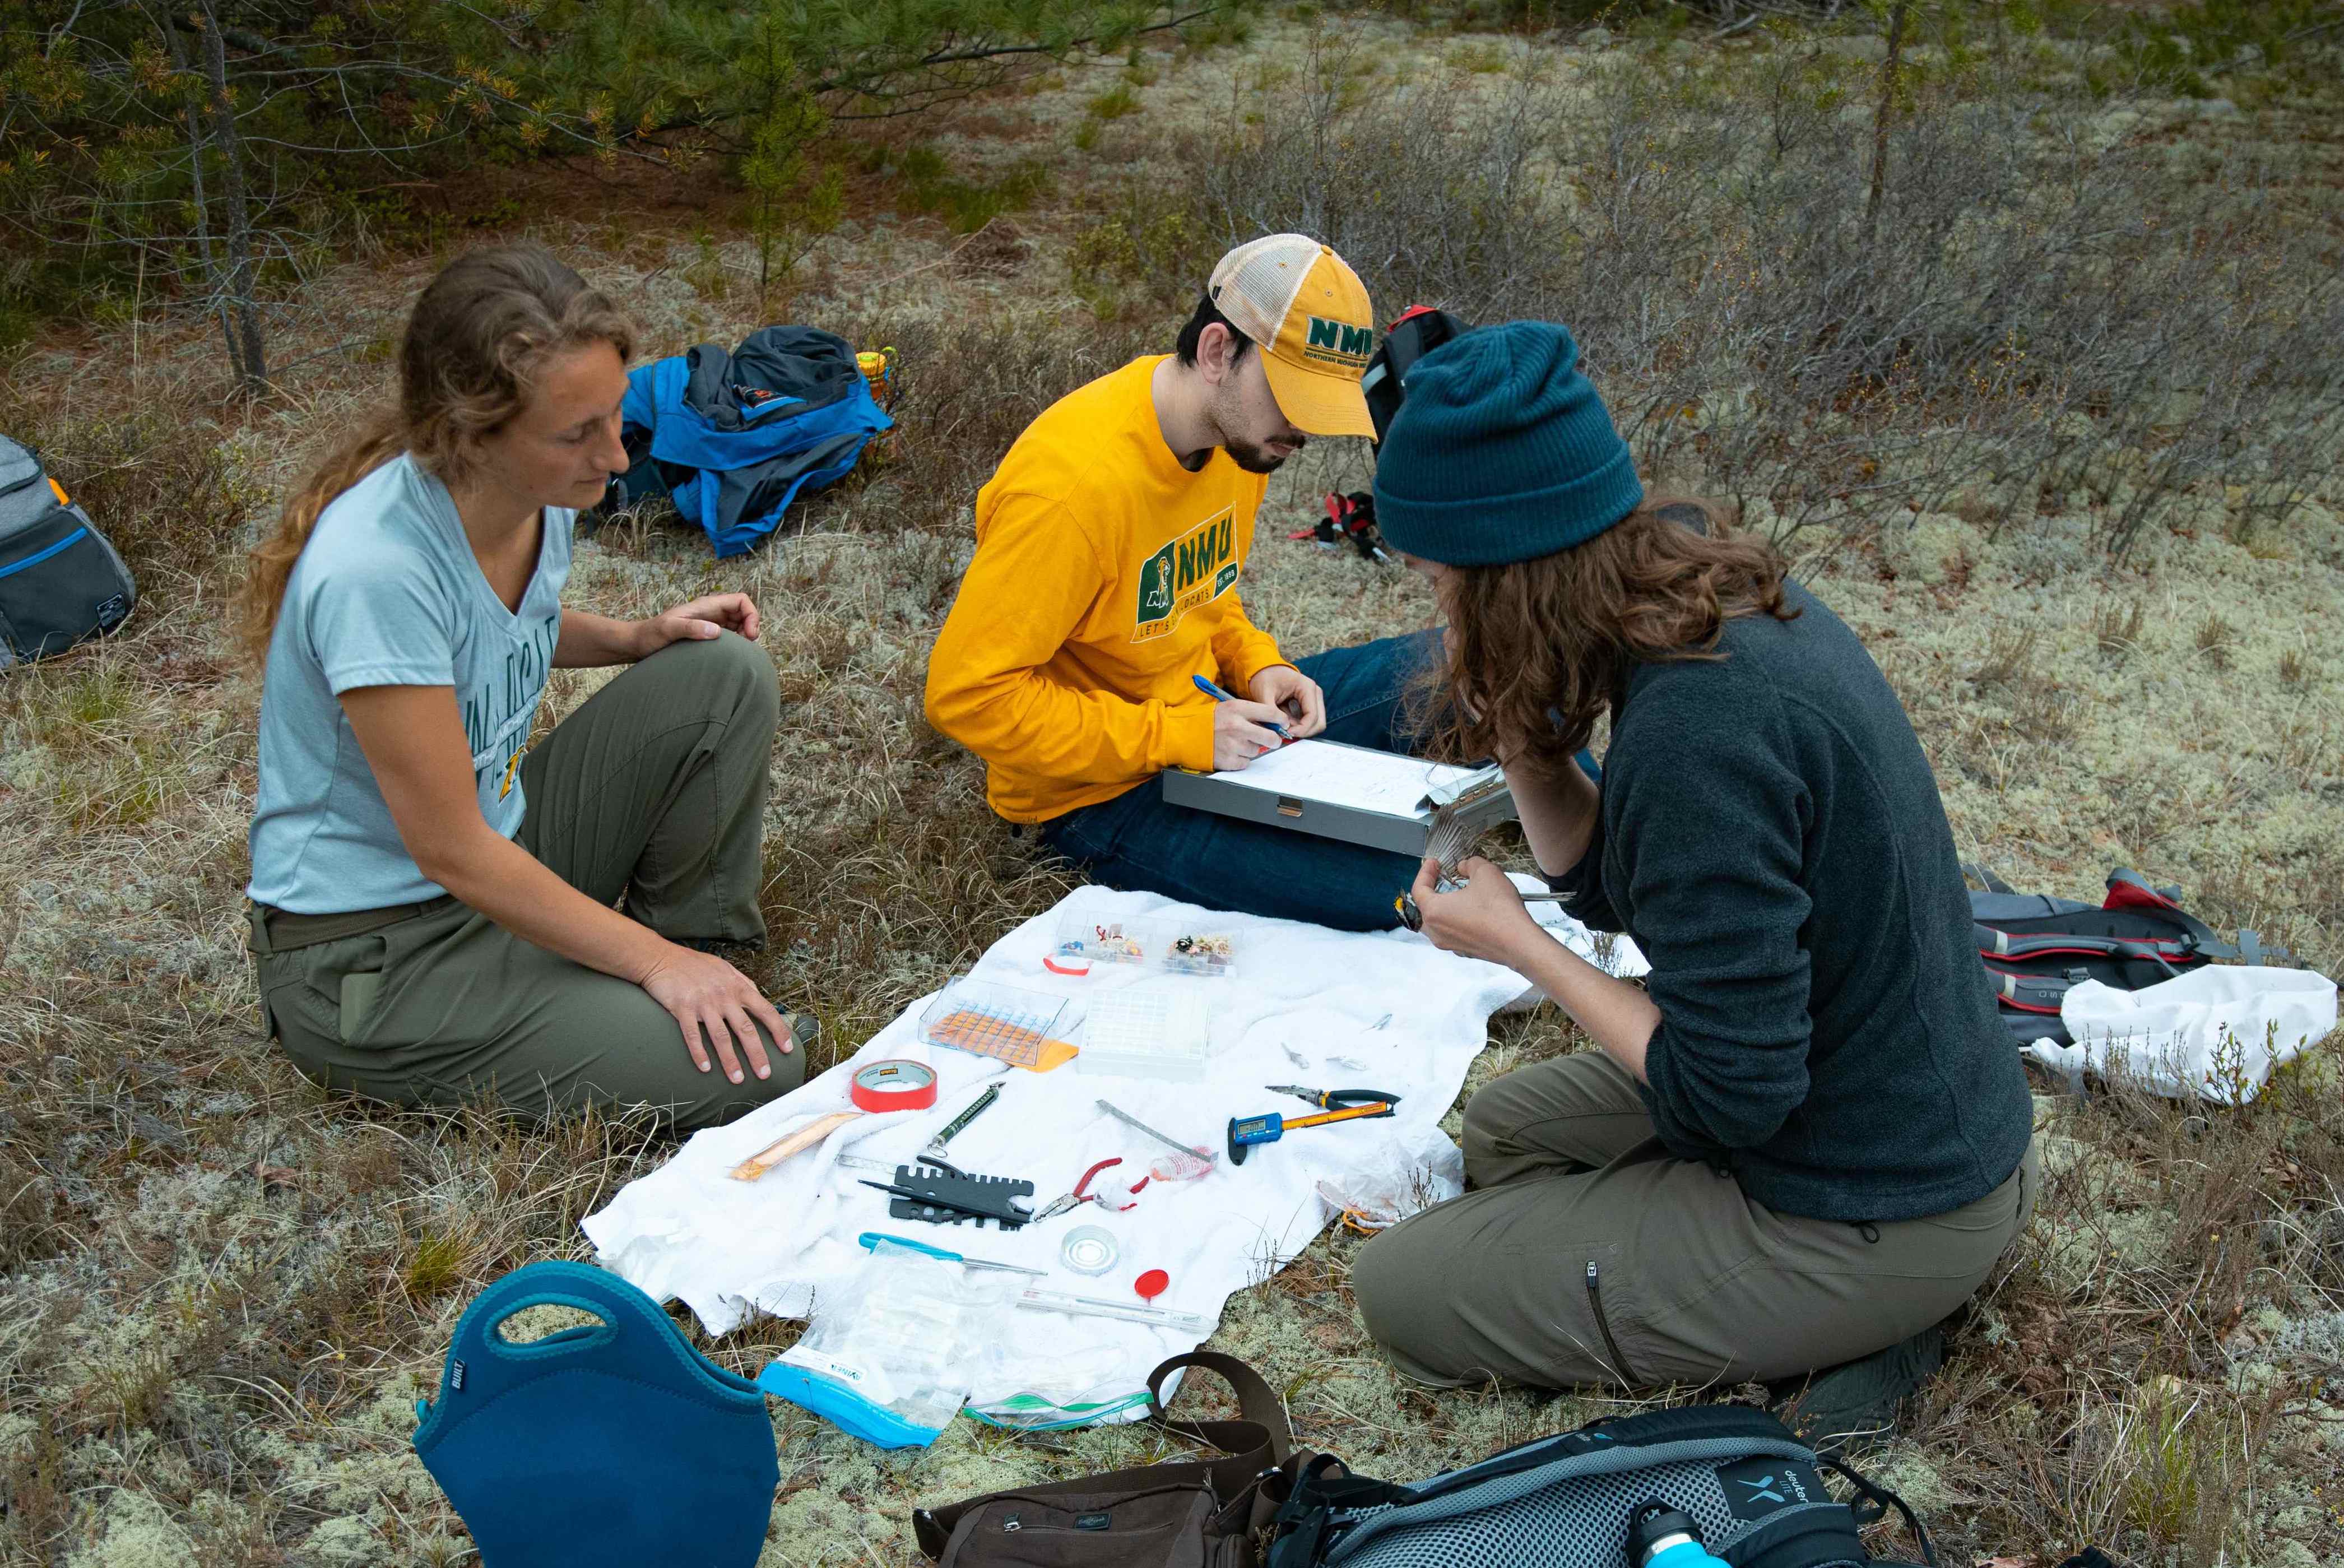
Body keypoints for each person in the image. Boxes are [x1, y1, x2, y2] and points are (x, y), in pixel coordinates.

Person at [1348, 321, 2038, 1438]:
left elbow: (1730, 1090)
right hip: (1892, 1111)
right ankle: (1734, 1283)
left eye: (1439, 578)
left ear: (1507, 575)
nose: (1435, 609)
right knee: (1506, 1137)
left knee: (1404, 1289)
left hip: (1879, 1200)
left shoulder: (1700, 731)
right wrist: (1521, 736)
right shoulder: (1688, 594)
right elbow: (1633, 890)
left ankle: (1863, 1330)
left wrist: (1521, 947)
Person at [239, 242, 811, 1130]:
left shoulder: (534, 502)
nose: (617, 459)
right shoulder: (377, 571)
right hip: (376, 955)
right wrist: (646, 963)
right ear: (470, 432)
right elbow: (450, 850)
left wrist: (633, 637)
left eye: (615, 417)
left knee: (719, 673)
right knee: (769, 1068)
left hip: (496, 862)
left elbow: (501, 632)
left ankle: (703, 957)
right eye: (576, 433)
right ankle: (675, 985)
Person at [923, 234, 1439, 931]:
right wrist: (1179, 735)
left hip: (1221, 721)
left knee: (1469, 660)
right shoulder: (1071, 491)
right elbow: (967, 696)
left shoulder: (1237, 443)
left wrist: (1260, 666)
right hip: (1099, 796)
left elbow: (1204, 593)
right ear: (1218, 352)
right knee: (1415, 892)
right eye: (1293, 397)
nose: (1305, 431)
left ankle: (1598, 840)